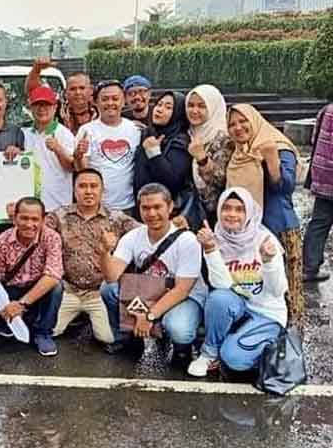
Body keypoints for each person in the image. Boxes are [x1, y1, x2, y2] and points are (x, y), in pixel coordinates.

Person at [100, 183, 204, 367]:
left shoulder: (187, 240)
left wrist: (149, 316)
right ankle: (128, 336)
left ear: (170, 207)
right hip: (149, 291)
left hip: (182, 297)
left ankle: (182, 348)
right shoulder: (133, 236)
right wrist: (104, 252)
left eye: (157, 207)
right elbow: (112, 276)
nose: (151, 213)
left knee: (178, 328)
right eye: (145, 208)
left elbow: (182, 290)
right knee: (108, 289)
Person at [188, 188, 288, 377]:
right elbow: (222, 285)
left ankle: (270, 342)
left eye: (239, 209)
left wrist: (268, 262)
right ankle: (209, 353)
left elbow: (278, 290)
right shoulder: (215, 238)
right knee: (219, 298)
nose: (232, 214)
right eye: (226, 208)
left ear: (249, 213)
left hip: (266, 313)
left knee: (234, 359)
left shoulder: (265, 240)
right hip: (237, 308)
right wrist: (210, 250)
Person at [225, 103, 303, 320]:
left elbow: (285, 188)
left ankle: (291, 335)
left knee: (286, 289)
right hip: (247, 232)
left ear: (255, 120)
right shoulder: (238, 153)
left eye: (243, 121)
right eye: (232, 124)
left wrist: (272, 161)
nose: (238, 127)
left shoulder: (278, 146)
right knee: (256, 287)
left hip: (278, 227)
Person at [46, 169, 140, 343]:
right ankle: (77, 317)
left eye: (93, 186)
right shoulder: (59, 216)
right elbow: (37, 232)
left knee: (108, 338)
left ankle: (91, 319)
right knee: (50, 330)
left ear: (102, 190)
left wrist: (173, 224)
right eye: (82, 186)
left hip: (99, 293)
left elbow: (145, 233)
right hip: (69, 290)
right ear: (74, 190)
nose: (88, 191)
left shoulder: (116, 218)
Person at [0, 197, 64, 357]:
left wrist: (21, 304)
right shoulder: (1, 242)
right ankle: (6, 324)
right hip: (11, 288)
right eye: (24, 218)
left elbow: (53, 275)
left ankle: (43, 332)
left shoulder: (51, 237)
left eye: (35, 219)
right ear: (15, 218)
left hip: (38, 289)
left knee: (56, 287)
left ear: (43, 220)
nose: (29, 224)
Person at [133, 91, 201, 229]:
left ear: (178, 113)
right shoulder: (148, 133)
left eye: (168, 107)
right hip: (142, 208)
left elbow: (172, 181)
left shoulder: (180, 141)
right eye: (159, 104)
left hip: (166, 214)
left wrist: (154, 153)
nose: (160, 109)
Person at [74, 80, 142, 214]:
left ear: (124, 101)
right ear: (95, 102)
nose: (110, 103)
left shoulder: (135, 129)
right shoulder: (87, 130)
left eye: (115, 99)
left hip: (128, 205)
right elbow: (82, 171)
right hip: (97, 207)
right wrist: (78, 155)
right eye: (105, 99)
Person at [185, 84, 235, 227]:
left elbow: (222, 181)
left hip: (217, 215)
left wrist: (202, 159)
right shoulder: (189, 133)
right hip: (192, 211)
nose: (194, 111)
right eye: (190, 105)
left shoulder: (225, 138)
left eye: (202, 106)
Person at [22, 86, 75, 211]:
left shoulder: (64, 134)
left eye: (46, 105)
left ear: (55, 107)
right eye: (37, 105)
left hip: (58, 206)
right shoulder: (24, 134)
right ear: (30, 107)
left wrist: (58, 149)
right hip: (30, 207)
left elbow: (71, 167)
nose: (42, 109)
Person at [25, 59, 98, 135]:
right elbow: (33, 91)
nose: (77, 92)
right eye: (72, 89)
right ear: (66, 92)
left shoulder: (100, 109)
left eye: (82, 88)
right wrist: (36, 69)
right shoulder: (56, 109)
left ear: (91, 90)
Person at [303, 103, 333, 283]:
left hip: (324, 175)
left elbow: (314, 139)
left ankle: (309, 268)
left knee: (319, 222)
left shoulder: (327, 109)